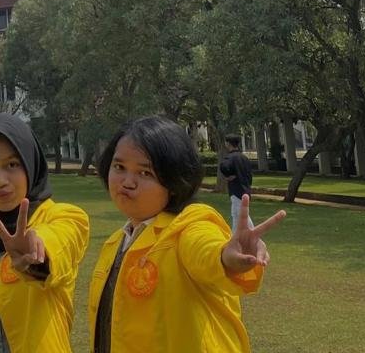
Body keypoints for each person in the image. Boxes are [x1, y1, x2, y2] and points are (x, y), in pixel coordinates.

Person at [88, 116, 286, 353]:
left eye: (145, 173)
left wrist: (226, 257)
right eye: (119, 167)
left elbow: (205, 248)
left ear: (174, 181)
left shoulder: (189, 225)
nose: (127, 182)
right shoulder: (115, 243)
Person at [0, 113, 90, 352]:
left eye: (12, 165)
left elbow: (59, 243)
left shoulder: (66, 217)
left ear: (30, 163)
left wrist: (37, 254)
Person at [220, 134, 255, 232]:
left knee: (241, 214)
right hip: (246, 189)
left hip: (236, 190)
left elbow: (223, 167)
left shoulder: (230, 158)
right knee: (236, 215)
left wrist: (228, 176)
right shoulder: (244, 158)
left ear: (228, 143)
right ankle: (234, 237)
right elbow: (249, 174)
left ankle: (254, 235)